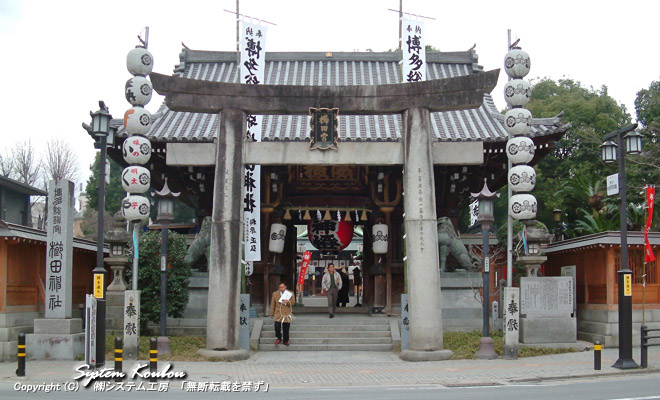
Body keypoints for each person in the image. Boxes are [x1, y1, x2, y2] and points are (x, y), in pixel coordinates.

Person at [269, 282, 295, 346]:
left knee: (286, 327)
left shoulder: (290, 293)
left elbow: (293, 302)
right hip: (278, 312)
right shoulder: (275, 294)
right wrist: (271, 313)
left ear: (285, 287)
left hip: (286, 312)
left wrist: (288, 301)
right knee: (277, 326)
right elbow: (273, 304)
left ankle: (286, 340)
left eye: (282, 287)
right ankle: (278, 337)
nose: (281, 288)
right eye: (280, 287)